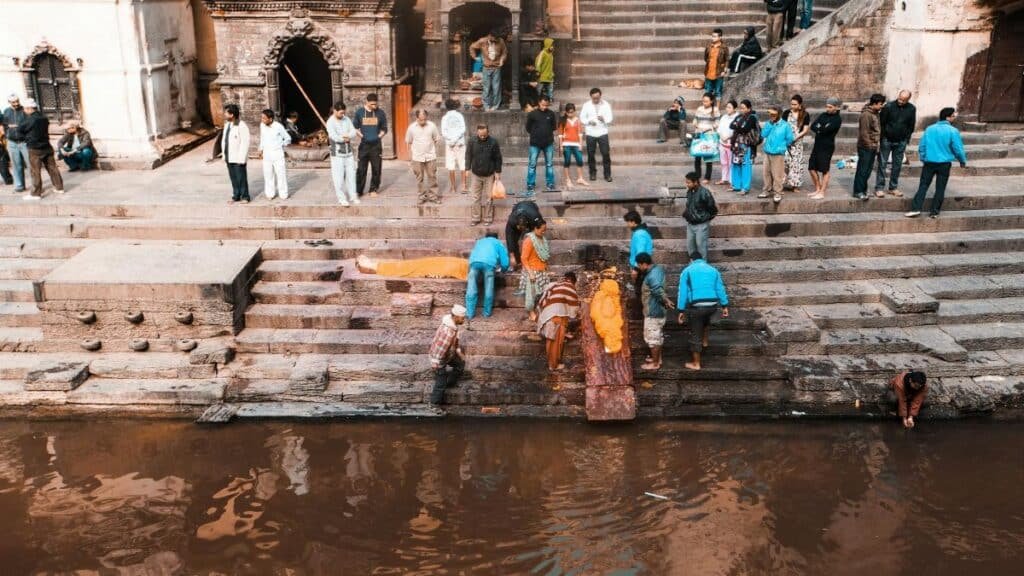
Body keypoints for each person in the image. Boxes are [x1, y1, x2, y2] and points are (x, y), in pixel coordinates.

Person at [906, 107, 967, 219]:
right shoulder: (953, 131)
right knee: (940, 187)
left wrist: (924, 158)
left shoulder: (930, 129)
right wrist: (962, 161)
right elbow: (958, 149)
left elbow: (922, 146)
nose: (954, 118)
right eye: (953, 116)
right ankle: (934, 212)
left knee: (923, 186)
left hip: (929, 162)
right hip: (944, 164)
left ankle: (916, 208)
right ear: (948, 117)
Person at [677, 252, 730, 371]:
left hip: (697, 306)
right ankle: (705, 342)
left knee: (695, 333)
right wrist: (725, 305)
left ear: (691, 260)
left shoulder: (687, 270)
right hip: (712, 305)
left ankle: (696, 364)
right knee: (705, 321)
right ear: (703, 259)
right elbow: (720, 288)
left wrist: (681, 310)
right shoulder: (713, 270)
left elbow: (683, 292)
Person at [17, 98, 64, 200]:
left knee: (35, 171)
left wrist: (25, 138)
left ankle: (36, 194)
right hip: (47, 146)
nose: (24, 111)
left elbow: (19, 132)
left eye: (25, 108)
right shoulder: (44, 118)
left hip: (34, 149)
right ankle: (59, 187)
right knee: (52, 168)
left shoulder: (28, 120)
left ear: (29, 108)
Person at [636, 253, 674, 371]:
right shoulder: (658, 269)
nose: (638, 267)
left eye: (639, 265)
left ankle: (655, 364)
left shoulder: (651, 276)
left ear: (643, 264)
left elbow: (657, 290)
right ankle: (657, 359)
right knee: (658, 337)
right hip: (659, 311)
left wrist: (666, 300)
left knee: (652, 339)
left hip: (653, 312)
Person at [536, 271, 580, 371]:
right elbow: (574, 309)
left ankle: (551, 363)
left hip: (546, 315)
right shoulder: (569, 286)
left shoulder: (555, 285)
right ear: (573, 281)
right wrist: (577, 313)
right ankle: (553, 365)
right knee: (555, 342)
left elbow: (542, 302)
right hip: (556, 318)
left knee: (550, 341)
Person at [877, 90, 916, 197]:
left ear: (908, 100)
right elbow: (882, 123)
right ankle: (879, 188)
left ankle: (893, 187)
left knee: (897, 165)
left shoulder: (911, 109)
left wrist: (906, 138)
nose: (900, 101)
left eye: (903, 100)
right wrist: (883, 137)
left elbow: (911, 125)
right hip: (887, 140)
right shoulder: (888, 106)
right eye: (899, 98)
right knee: (882, 164)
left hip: (901, 141)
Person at [466, 232, 510, 320]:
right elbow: (505, 262)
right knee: (488, 289)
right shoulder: (498, 243)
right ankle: (486, 313)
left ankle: (470, 314)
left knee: (471, 288)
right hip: (489, 265)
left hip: (474, 263)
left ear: (486, 237)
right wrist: (503, 270)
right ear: (496, 238)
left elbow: (474, 254)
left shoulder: (479, 242)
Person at [429, 304, 467, 405]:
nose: (464, 320)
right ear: (456, 317)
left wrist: (458, 351)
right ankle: (434, 404)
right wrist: (435, 362)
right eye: (462, 318)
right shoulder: (448, 332)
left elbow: (455, 341)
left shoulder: (453, 325)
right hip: (439, 358)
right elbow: (440, 348)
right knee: (440, 384)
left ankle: (449, 383)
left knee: (460, 364)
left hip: (448, 354)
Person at [465, 123, 502, 226]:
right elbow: (468, 155)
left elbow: (498, 158)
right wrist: (467, 168)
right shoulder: (472, 141)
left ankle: (488, 218)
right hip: (476, 173)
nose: (482, 137)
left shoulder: (493, 142)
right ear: (477, 132)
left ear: (488, 132)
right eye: (480, 135)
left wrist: (498, 172)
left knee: (489, 197)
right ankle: (475, 218)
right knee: (475, 197)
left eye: (484, 135)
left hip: (489, 174)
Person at [807, 97, 843, 199]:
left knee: (825, 169)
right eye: (827, 106)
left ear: (836, 107)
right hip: (817, 144)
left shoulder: (837, 119)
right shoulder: (823, 115)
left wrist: (820, 128)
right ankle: (818, 188)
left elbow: (826, 130)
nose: (828, 109)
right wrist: (821, 128)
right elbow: (813, 126)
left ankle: (822, 192)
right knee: (811, 167)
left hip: (827, 146)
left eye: (830, 107)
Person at [354, 93, 388, 197]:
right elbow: (355, 127)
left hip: (376, 146)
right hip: (364, 145)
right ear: (367, 102)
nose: (374, 106)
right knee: (361, 169)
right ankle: (358, 190)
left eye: (376, 104)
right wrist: (362, 136)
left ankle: (373, 189)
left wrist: (378, 137)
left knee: (376, 168)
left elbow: (384, 128)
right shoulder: (359, 113)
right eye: (372, 104)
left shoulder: (380, 113)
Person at [326, 101, 360, 206]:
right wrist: (344, 138)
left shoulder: (347, 119)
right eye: (340, 113)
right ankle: (341, 198)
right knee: (338, 177)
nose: (342, 114)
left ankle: (353, 196)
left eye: (343, 112)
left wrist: (348, 136)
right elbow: (333, 136)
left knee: (351, 174)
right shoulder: (330, 122)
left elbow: (353, 131)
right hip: (337, 153)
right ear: (335, 111)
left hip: (348, 152)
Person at [405, 109, 442, 205]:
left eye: (424, 119)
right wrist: (409, 158)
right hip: (417, 157)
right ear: (416, 118)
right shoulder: (411, 128)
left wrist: (433, 149)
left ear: (427, 117)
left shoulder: (432, 126)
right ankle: (421, 196)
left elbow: (437, 138)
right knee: (419, 178)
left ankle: (433, 196)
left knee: (432, 176)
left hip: (430, 156)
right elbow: (408, 142)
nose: (423, 121)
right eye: (420, 120)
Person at [853, 93, 886, 200]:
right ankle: (858, 191)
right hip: (866, 146)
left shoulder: (875, 113)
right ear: (874, 103)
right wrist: (870, 145)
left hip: (873, 146)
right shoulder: (866, 115)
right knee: (863, 169)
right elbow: (864, 133)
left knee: (867, 170)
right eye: (880, 104)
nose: (882, 106)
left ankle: (863, 190)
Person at [759, 105, 794, 203]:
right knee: (766, 173)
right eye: (770, 114)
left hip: (778, 153)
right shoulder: (768, 123)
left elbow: (789, 139)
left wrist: (781, 147)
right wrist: (770, 124)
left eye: (774, 114)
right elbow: (763, 134)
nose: (772, 116)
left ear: (779, 114)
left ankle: (777, 192)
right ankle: (766, 190)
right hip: (767, 152)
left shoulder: (785, 125)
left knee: (777, 174)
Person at [525, 94, 558, 195]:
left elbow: (553, 127)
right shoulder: (532, 114)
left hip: (548, 143)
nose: (545, 107)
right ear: (539, 103)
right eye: (543, 105)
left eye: (547, 105)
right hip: (535, 143)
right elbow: (528, 128)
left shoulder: (551, 114)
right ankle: (530, 184)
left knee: (549, 164)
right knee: (532, 164)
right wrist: (536, 134)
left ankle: (550, 183)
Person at [580, 87, 613, 182]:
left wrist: (604, 119)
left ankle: (607, 175)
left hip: (603, 132)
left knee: (605, 153)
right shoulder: (586, 105)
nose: (596, 100)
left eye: (597, 98)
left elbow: (610, 118)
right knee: (591, 154)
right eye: (594, 98)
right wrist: (589, 122)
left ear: (600, 96)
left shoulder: (606, 104)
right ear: (591, 97)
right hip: (590, 132)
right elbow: (582, 118)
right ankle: (592, 173)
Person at [520, 218, 551, 321]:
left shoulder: (542, 239)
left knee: (543, 292)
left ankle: (540, 309)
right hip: (532, 271)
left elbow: (544, 255)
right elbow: (524, 258)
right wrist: (530, 273)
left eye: (545, 230)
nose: (544, 232)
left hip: (542, 270)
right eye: (542, 230)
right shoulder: (529, 240)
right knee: (531, 294)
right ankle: (531, 312)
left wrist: (546, 267)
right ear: (535, 228)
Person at [683, 171, 718, 260]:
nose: (687, 184)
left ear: (695, 182)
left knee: (701, 248)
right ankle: (693, 267)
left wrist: (704, 219)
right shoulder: (690, 192)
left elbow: (713, 209)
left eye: (689, 182)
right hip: (690, 224)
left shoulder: (705, 193)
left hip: (701, 225)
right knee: (690, 247)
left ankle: (703, 267)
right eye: (686, 182)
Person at [258, 109, 291, 201]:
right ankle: (270, 194)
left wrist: (281, 144)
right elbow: (262, 138)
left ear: (271, 119)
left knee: (281, 174)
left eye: (264, 118)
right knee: (268, 175)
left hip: (277, 154)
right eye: (262, 118)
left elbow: (288, 138)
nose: (262, 120)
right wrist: (260, 149)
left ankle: (283, 194)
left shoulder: (278, 126)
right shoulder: (262, 126)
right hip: (267, 154)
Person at [471, 30, 508, 111]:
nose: (495, 41)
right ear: (490, 36)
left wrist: (502, 60)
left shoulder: (500, 41)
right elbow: (472, 47)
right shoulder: (482, 41)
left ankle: (495, 106)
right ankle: (486, 106)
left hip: (496, 67)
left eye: (497, 39)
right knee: (486, 88)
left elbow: (504, 52)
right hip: (486, 67)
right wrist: (474, 57)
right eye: (494, 39)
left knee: (496, 87)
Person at [220, 103, 250, 204]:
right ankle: (236, 195)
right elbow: (224, 140)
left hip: (238, 157)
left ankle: (245, 196)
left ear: (231, 114)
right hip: (229, 156)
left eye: (226, 113)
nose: (224, 114)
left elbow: (245, 143)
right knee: (233, 178)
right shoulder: (227, 125)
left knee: (241, 178)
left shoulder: (241, 125)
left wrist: (242, 158)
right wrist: (224, 155)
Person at [729, 100, 759, 195]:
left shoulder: (752, 117)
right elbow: (731, 125)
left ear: (749, 108)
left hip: (746, 145)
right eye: (740, 108)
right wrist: (738, 127)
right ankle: (736, 186)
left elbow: (745, 129)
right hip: (737, 145)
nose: (741, 110)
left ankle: (745, 188)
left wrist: (737, 126)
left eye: (743, 108)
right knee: (736, 164)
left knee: (745, 166)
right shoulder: (739, 116)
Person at [356, 254, 469, 279]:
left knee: (409, 268)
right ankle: (373, 265)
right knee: (410, 266)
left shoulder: (467, 270)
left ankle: (373, 266)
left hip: (444, 267)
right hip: (444, 264)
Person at [782, 94, 811, 191]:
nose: (792, 106)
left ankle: (795, 185)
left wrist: (795, 138)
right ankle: (781, 183)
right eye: (791, 104)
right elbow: (782, 126)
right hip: (786, 141)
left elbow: (805, 130)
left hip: (797, 142)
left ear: (800, 104)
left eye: (795, 104)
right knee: (785, 162)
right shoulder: (786, 113)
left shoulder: (805, 115)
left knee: (796, 164)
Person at [3, 94, 31, 193]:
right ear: (9, 102)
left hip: (24, 142)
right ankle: (19, 186)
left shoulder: (24, 110)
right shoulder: (6, 111)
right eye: (13, 102)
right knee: (16, 165)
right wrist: (7, 135)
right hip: (12, 142)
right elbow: (5, 125)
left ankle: (35, 186)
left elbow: (29, 124)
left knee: (30, 164)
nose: (16, 104)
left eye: (17, 101)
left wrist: (17, 126)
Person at [691, 93, 721, 184]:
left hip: (709, 135)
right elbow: (695, 119)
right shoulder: (699, 109)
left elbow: (717, 122)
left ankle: (707, 177)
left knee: (708, 156)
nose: (704, 103)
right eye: (703, 101)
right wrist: (695, 124)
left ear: (711, 101)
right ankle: (697, 175)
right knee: (697, 156)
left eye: (706, 101)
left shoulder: (715, 110)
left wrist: (710, 128)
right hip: (699, 134)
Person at [505, 200, 542, 270]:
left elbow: (541, 227)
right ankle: (518, 262)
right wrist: (512, 256)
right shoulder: (512, 220)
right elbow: (509, 238)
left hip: (532, 206)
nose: (521, 230)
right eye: (520, 228)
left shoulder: (534, 217)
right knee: (513, 240)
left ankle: (531, 260)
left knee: (533, 239)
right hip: (518, 206)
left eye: (523, 229)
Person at [441, 99, 467, 195]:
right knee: (462, 164)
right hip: (459, 142)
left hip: (450, 144)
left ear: (446, 107)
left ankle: (453, 187)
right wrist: (456, 139)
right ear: (455, 106)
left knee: (451, 165)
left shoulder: (444, 118)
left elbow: (444, 132)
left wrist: (451, 140)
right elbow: (463, 129)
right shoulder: (459, 115)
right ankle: (464, 185)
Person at [559, 103, 588, 188]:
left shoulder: (578, 120)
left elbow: (580, 133)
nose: (570, 114)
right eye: (569, 112)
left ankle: (580, 178)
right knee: (567, 161)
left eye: (572, 112)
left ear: (574, 111)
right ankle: (568, 179)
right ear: (566, 112)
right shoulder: (563, 121)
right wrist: (561, 146)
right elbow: (560, 134)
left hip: (576, 144)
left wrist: (580, 144)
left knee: (580, 160)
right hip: (566, 144)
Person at [625, 210, 655, 285]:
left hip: (641, 268)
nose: (627, 225)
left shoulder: (639, 234)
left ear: (633, 222)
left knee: (640, 292)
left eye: (628, 222)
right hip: (641, 266)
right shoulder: (640, 232)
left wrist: (636, 269)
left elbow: (640, 252)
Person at [716, 100, 738, 187]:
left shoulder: (737, 117)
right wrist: (722, 137)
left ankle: (731, 180)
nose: (727, 109)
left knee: (731, 163)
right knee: (723, 162)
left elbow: (735, 131)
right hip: (722, 142)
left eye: (729, 107)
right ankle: (724, 178)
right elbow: (719, 128)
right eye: (727, 107)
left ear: (734, 108)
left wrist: (728, 137)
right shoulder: (724, 117)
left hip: (731, 143)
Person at [703, 29, 729, 99]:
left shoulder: (724, 48)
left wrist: (724, 70)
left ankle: (717, 108)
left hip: (719, 73)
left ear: (720, 37)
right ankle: (708, 108)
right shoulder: (709, 47)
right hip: (709, 72)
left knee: (718, 92)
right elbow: (705, 58)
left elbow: (727, 59)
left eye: (715, 36)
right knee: (707, 91)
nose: (713, 38)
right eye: (712, 36)